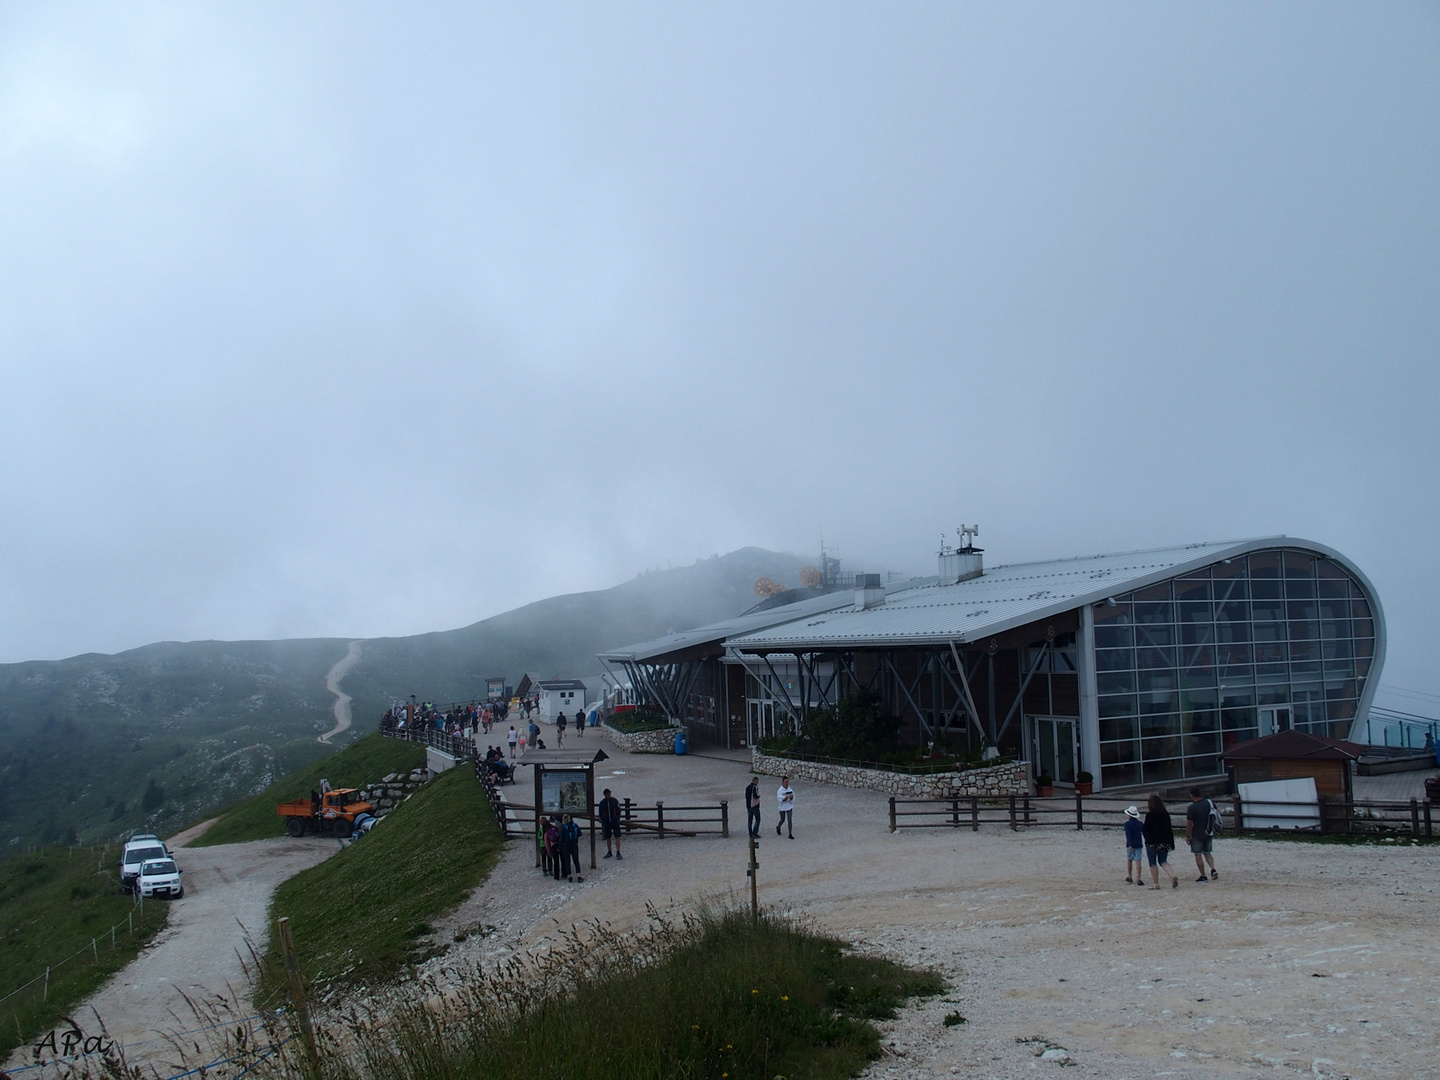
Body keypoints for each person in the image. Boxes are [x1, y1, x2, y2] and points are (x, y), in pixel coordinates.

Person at [1142, 793, 1179, 889]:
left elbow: (1146, 829)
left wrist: (1147, 839)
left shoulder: (1149, 815)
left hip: (1152, 842)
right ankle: (1172, 875)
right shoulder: (1165, 814)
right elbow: (1169, 829)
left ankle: (1156, 884)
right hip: (1164, 841)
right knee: (1163, 861)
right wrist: (1171, 842)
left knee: (1152, 863)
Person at [1186, 786, 1219, 882]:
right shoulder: (1208, 803)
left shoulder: (1192, 808)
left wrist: (1188, 836)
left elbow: (1189, 824)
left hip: (1197, 833)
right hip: (1208, 832)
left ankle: (1203, 875)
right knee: (1207, 853)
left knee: (1198, 854)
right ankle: (1213, 869)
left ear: (1191, 795)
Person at [1123, 806, 1145, 885]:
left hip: (1131, 844)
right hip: (1138, 843)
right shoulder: (1140, 824)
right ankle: (1139, 878)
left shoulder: (1127, 824)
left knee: (1130, 860)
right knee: (1138, 861)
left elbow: (1128, 835)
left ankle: (1130, 876)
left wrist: (1129, 844)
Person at [598, 787, 623, 859]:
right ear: (605, 794)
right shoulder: (602, 803)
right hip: (607, 822)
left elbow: (618, 810)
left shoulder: (614, 801)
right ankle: (609, 851)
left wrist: (617, 819)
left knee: (617, 836)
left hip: (614, 822)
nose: (609, 795)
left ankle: (618, 851)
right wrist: (603, 821)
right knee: (608, 837)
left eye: (609, 793)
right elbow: (600, 813)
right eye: (608, 793)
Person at [560, 814, 584, 882]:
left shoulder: (564, 828)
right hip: (574, 845)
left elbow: (561, 838)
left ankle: (569, 875)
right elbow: (579, 833)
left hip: (566, 846)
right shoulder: (574, 825)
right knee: (576, 860)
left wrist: (559, 846)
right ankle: (578, 875)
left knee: (567, 861)